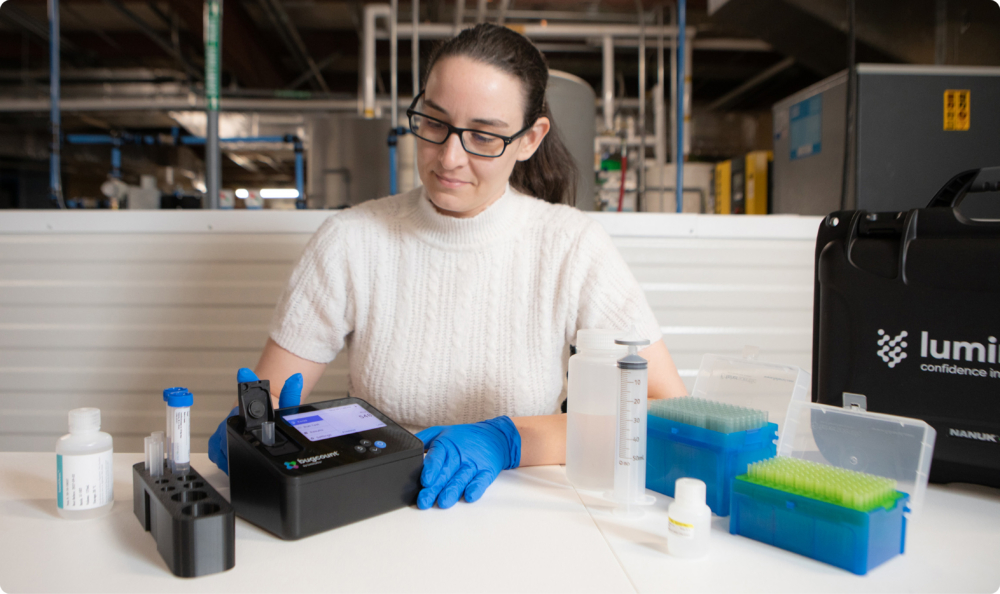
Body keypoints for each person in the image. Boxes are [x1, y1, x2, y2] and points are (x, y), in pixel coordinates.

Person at [209, 23, 687, 509]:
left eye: (483, 136)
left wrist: (509, 439)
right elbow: (262, 407)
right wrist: (251, 437)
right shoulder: (350, 241)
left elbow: (667, 413)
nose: (449, 157)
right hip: (383, 507)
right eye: (435, 122)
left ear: (530, 138)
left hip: (529, 511)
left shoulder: (572, 247)